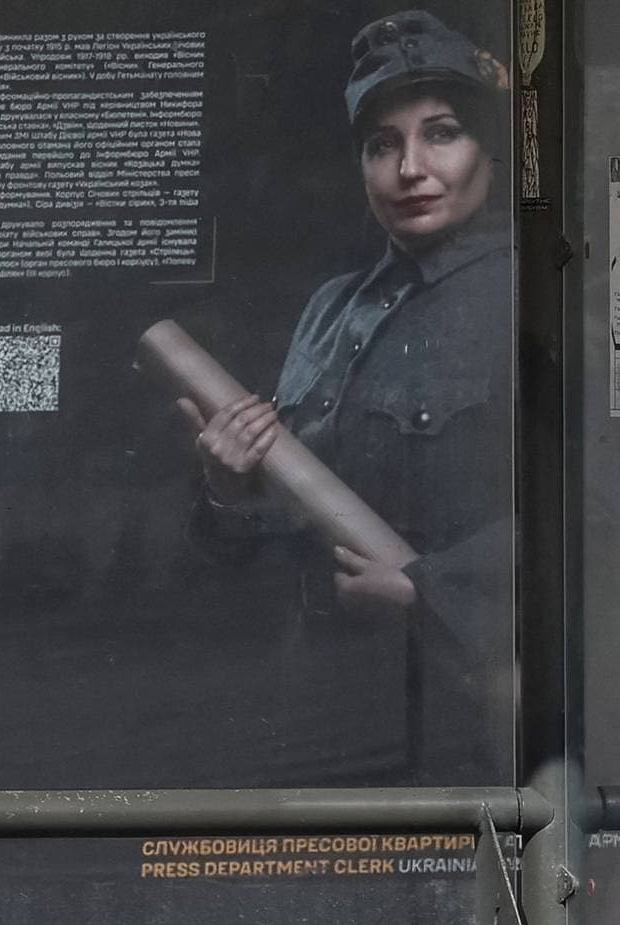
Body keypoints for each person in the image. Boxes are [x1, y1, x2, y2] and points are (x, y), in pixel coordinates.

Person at [180, 10, 512, 777]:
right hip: (308, 709)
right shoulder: (332, 308)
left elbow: (593, 520)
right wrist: (227, 491)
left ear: (488, 150)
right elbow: (272, 535)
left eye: (442, 133)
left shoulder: (529, 301)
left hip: (457, 712)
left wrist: (431, 590)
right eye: (383, 145)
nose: (410, 169)